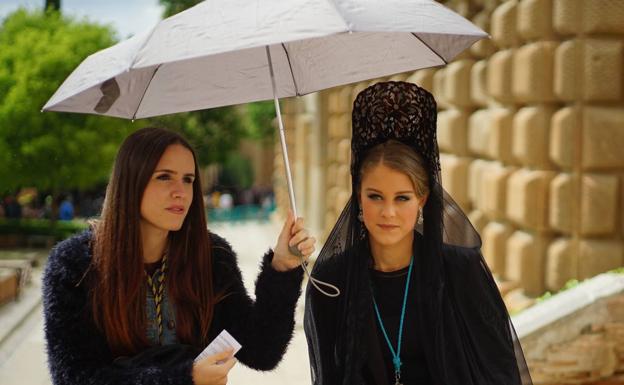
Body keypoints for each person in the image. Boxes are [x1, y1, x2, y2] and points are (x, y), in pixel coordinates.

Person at [43, 127, 315, 385]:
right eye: (164, 177)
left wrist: (282, 268)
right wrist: (184, 378)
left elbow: (261, 351)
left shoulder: (211, 257)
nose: (181, 192)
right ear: (131, 181)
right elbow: (75, 377)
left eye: (188, 179)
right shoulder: (73, 266)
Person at [304, 82, 533, 385]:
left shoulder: (461, 272)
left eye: (402, 198)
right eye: (375, 196)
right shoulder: (332, 281)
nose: (388, 212)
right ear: (358, 197)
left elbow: (500, 371)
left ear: (422, 200)